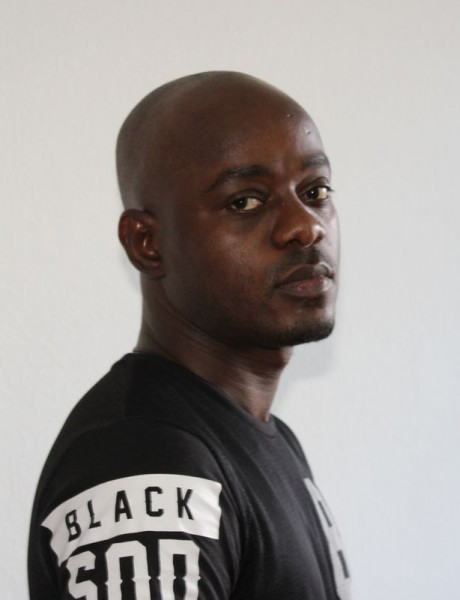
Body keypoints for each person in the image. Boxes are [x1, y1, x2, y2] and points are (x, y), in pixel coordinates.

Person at [28, 71, 350, 600]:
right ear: (147, 244)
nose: (305, 226)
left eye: (315, 191)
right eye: (245, 201)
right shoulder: (142, 456)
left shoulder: (259, 439)